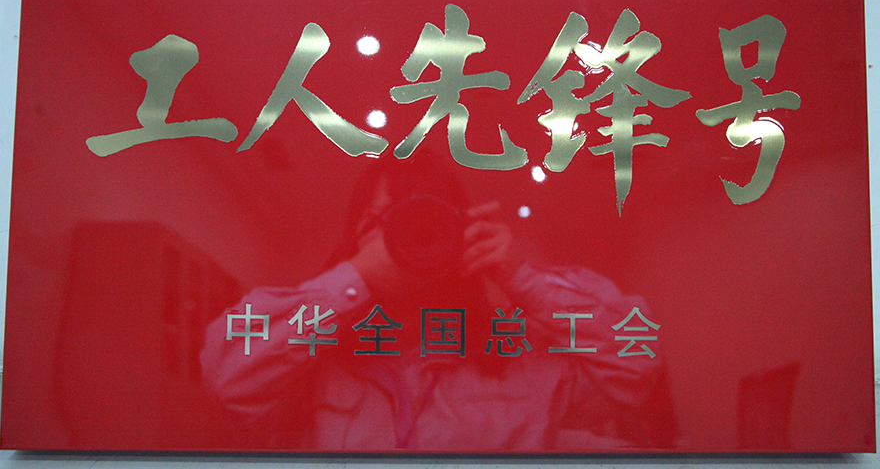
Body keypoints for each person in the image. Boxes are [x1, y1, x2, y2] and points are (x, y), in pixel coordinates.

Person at [200, 150, 675, 451]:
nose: (404, 242)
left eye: (425, 226)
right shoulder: (310, 357)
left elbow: (639, 364)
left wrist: (519, 276)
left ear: (458, 234)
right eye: (382, 222)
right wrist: (356, 277)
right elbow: (228, 376)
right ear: (356, 239)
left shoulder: (517, 355)